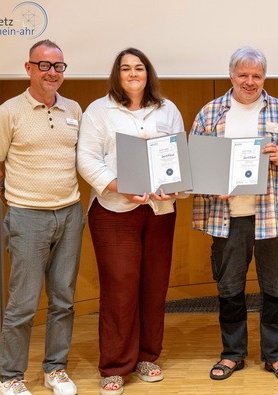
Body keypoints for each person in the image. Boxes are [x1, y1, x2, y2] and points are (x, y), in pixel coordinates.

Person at [190, 46, 278, 382]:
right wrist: (212, 182)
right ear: (231, 76)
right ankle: (232, 354)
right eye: (243, 75)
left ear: (264, 77)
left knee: (274, 287)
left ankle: (275, 355)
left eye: (256, 75)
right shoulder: (210, 113)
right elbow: (195, 164)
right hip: (225, 215)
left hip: (271, 215)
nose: (250, 81)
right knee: (228, 288)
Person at [77, 48, 184, 395]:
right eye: (126, 68)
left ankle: (147, 356)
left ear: (148, 73)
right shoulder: (99, 110)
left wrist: (175, 190)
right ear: (117, 74)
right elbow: (87, 159)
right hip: (113, 210)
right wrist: (118, 185)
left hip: (159, 211)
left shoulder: (167, 109)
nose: (133, 73)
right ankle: (114, 365)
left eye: (139, 68)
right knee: (120, 288)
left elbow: (177, 157)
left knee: (154, 286)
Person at [0, 39, 83, 395]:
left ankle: (55, 369)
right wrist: (14, 203)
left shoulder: (74, 110)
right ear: (28, 68)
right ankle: (10, 377)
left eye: (58, 66)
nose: (52, 72)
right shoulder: (7, 113)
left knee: (63, 300)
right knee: (22, 304)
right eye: (44, 65)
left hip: (70, 213)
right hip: (27, 216)